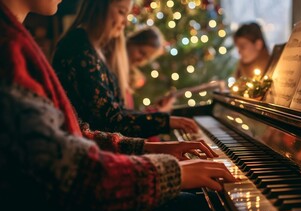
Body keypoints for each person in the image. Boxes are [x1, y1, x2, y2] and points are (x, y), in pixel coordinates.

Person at [0, 0, 236, 211]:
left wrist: (149, 147)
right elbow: (77, 176)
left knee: (212, 207)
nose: (125, 22)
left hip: (82, 205)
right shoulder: (12, 48)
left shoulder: (18, 41)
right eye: (122, 11)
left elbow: (78, 133)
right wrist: (174, 172)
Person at [52, 0, 197, 138]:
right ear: (101, 6)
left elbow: (116, 112)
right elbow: (110, 122)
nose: (126, 22)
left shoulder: (93, 49)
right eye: (122, 12)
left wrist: (160, 116)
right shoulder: (79, 48)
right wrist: (165, 121)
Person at [126, 26, 176, 112]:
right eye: (141, 52)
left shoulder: (131, 77)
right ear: (131, 42)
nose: (141, 60)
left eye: (147, 58)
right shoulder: (113, 70)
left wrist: (154, 112)